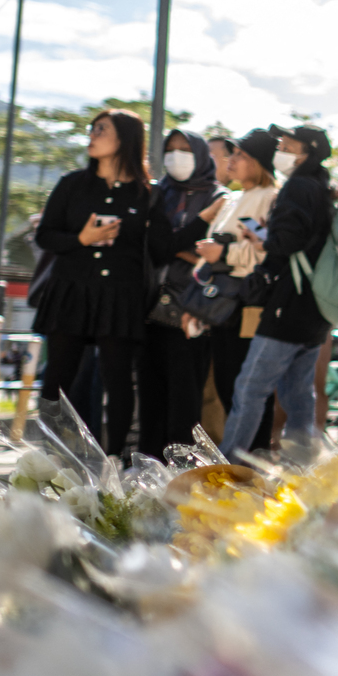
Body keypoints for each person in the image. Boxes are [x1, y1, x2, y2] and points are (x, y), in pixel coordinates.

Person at [34, 109, 172, 455]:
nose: (92, 135)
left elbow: (163, 248)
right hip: (71, 290)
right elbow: (45, 236)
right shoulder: (72, 184)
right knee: (57, 378)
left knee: (118, 381)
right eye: (92, 129)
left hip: (120, 296)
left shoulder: (148, 194)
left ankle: (114, 462)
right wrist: (81, 239)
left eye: (101, 129)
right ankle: (51, 457)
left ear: (125, 139)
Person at [221, 124, 336, 456]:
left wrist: (266, 239)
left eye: (288, 145)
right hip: (314, 307)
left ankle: (228, 465)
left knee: (250, 387)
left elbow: (288, 242)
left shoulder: (298, 187)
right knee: (298, 394)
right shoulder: (320, 186)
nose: (281, 150)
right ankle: (304, 466)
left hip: (288, 305)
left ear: (306, 153)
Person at [136, 129, 223, 458]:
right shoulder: (157, 194)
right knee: (150, 396)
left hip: (193, 311)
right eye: (169, 149)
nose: (176, 156)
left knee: (186, 399)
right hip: (149, 307)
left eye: (184, 149)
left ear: (200, 155)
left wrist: (176, 248)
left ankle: (181, 471)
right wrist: (185, 250)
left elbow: (220, 255)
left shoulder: (220, 197)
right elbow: (153, 248)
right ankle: (147, 469)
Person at [197, 128, 281, 448]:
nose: (231, 160)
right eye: (231, 153)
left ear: (259, 163)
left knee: (248, 388)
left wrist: (225, 253)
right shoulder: (231, 199)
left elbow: (266, 251)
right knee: (225, 383)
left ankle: (252, 464)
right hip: (219, 303)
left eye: (241, 155)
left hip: (250, 303)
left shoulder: (272, 198)